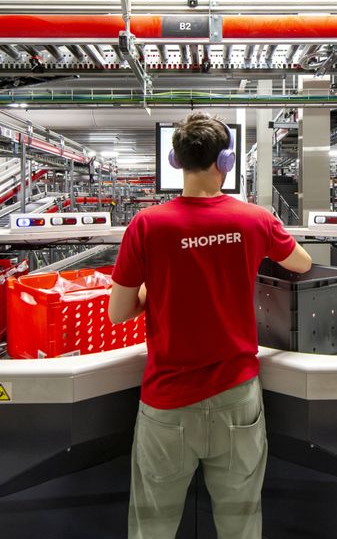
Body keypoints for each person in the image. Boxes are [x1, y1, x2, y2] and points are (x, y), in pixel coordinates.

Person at [109, 112, 312, 539]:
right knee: (240, 525)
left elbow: (119, 311)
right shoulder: (255, 219)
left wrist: (155, 289)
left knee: (153, 529)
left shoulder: (146, 225)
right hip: (236, 399)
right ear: (226, 163)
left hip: (167, 404)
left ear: (174, 159)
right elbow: (303, 263)